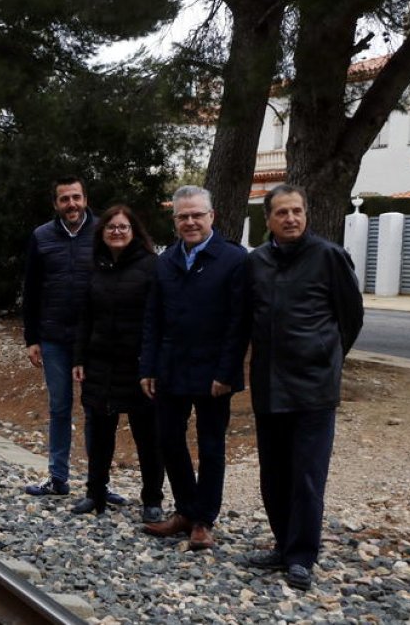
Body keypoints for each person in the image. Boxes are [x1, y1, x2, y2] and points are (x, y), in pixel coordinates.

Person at [245, 184, 363, 590]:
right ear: (268, 219)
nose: (290, 218)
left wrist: (327, 356)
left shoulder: (329, 256)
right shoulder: (256, 262)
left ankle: (301, 556)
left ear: (306, 214)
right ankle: (282, 545)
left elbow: (351, 318)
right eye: (282, 212)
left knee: (307, 477)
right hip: (269, 386)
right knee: (274, 475)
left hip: (314, 390)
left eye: (296, 211)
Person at [139, 185, 247, 550]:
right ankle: (186, 509)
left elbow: (238, 323)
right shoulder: (166, 260)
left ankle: (203, 520)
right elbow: (153, 318)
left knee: (211, 445)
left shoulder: (233, 259)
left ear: (211, 216)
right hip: (170, 367)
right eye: (183, 216)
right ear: (175, 221)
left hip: (214, 372)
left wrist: (227, 372)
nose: (190, 222)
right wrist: (148, 367)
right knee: (168, 440)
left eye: (197, 215)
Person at [22, 176, 121, 500]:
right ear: (56, 204)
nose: (71, 204)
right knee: (60, 408)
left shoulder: (103, 232)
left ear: (85, 199)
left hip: (94, 340)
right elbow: (31, 290)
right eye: (64, 199)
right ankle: (58, 477)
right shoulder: (41, 236)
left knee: (96, 410)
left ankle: (98, 483)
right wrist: (31, 338)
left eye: (76, 197)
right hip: (54, 338)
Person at [70, 205, 165, 522]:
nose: (117, 232)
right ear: (102, 233)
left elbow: (158, 318)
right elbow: (85, 317)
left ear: (134, 231)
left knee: (148, 436)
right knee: (99, 434)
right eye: (111, 227)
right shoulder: (94, 266)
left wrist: (153, 364)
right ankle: (95, 493)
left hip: (139, 366)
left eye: (123, 227)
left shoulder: (151, 266)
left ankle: (152, 499)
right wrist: (79, 357)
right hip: (100, 363)